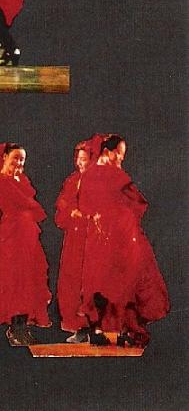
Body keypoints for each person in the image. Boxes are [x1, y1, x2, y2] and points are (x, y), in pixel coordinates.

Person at [77, 135, 169, 347]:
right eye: (119, 153)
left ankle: (108, 329)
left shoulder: (91, 174)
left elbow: (86, 205)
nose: (121, 158)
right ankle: (117, 329)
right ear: (107, 152)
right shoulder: (114, 175)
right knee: (118, 279)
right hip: (116, 234)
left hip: (106, 234)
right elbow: (137, 202)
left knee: (106, 280)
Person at [0, 143, 51, 346]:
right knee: (15, 277)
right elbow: (23, 203)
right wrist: (33, 207)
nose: (19, 162)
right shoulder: (1, 181)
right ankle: (16, 328)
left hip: (27, 233)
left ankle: (22, 326)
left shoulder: (21, 180)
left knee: (28, 277)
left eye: (22, 159)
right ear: (5, 157)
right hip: (13, 234)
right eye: (15, 158)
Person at [54, 140, 94, 343]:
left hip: (93, 237)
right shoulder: (72, 181)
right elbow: (62, 205)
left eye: (84, 159)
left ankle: (97, 328)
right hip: (75, 238)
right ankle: (80, 328)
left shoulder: (100, 181)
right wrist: (72, 212)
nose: (80, 163)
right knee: (72, 280)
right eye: (78, 159)